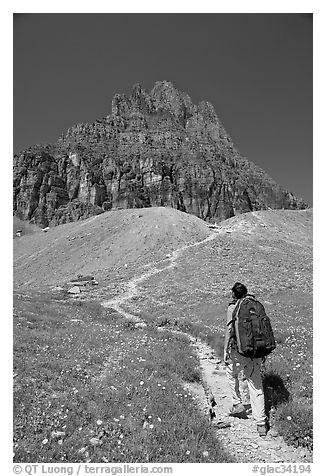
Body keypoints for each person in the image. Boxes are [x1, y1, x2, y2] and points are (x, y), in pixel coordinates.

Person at [224, 282, 269, 437]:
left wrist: (225, 351)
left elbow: (230, 331)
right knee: (256, 386)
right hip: (256, 352)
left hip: (239, 352)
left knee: (231, 372)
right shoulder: (254, 306)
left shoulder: (232, 307)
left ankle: (237, 404)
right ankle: (261, 423)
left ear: (234, 294)